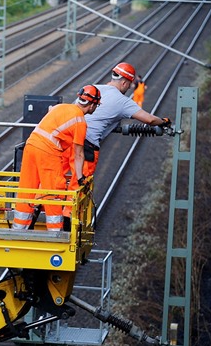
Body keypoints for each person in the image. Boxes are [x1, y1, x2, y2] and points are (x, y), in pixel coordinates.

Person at [63, 63, 171, 216]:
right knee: (79, 184)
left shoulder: (93, 88)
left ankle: (48, 213)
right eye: (128, 85)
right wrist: (164, 121)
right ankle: (68, 221)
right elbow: (150, 120)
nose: (128, 89)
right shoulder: (123, 101)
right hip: (87, 147)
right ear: (125, 82)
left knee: (60, 178)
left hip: (67, 139)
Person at [12, 85, 101, 231]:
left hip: (30, 145)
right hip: (48, 151)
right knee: (52, 191)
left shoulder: (59, 108)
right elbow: (78, 154)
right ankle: (55, 232)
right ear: (92, 105)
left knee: (27, 188)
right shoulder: (80, 121)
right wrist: (80, 178)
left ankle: (18, 230)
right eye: (96, 106)